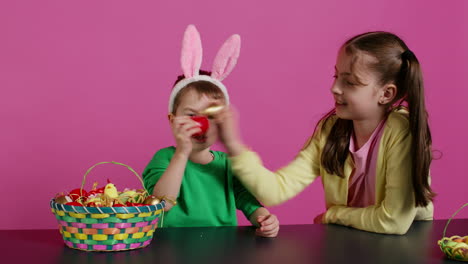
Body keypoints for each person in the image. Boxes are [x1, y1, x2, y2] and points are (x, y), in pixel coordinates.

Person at [215, 31, 435, 235]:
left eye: (349, 82)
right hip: (355, 238)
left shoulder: (402, 130)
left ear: (386, 94)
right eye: (336, 76)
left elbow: (394, 221)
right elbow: (275, 190)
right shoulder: (331, 129)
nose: (335, 88)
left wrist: (334, 215)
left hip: (405, 242)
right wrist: (233, 144)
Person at [142, 25, 279, 237]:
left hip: (221, 247)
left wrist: (264, 218)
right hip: (172, 247)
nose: (201, 123)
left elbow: (246, 199)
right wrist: (181, 153)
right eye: (190, 115)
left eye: (211, 116)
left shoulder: (226, 164)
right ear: (172, 120)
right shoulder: (165, 158)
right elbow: (161, 204)